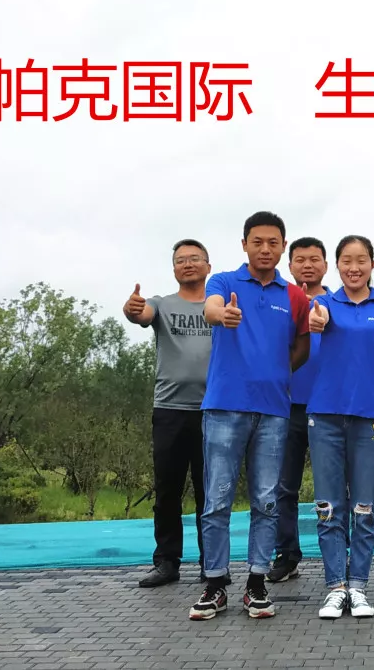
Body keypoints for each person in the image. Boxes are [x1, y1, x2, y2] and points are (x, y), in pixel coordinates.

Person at [188, 212, 310, 621]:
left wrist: (276, 373)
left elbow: (302, 346)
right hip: (225, 407)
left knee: (266, 500)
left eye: (273, 242)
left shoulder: (293, 296)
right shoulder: (224, 282)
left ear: (283, 246)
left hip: (274, 410)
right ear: (244, 244)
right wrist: (222, 315)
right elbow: (210, 309)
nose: (265, 249)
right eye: (257, 242)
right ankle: (215, 584)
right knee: (217, 499)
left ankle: (256, 582)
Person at [306, 235, 374, 619]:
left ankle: (359, 586)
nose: (354, 267)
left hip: (371, 419)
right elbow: (314, 322)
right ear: (337, 265)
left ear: (372, 264)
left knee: (364, 508)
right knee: (329, 506)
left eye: (361, 260)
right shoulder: (323, 305)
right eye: (347, 261)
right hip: (325, 417)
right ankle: (336, 587)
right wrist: (317, 320)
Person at [123, 239, 215, 588]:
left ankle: (212, 563)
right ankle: (166, 562)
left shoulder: (219, 305)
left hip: (212, 411)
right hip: (169, 410)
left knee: (210, 493)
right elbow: (141, 314)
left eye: (194, 259)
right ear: (174, 269)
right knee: (167, 491)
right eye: (180, 260)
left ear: (208, 266)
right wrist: (132, 308)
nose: (187, 264)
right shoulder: (161, 304)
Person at [267, 237, 332, 584]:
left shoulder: (339, 302)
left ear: (326, 265)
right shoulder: (280, 302)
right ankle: (287, 553)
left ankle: (337, 553)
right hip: (287, 405)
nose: (308, 265)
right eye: (301, 260)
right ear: (289, 265)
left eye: (315, 259)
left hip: (329, 407)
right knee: (284, 487)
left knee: (333, 489)